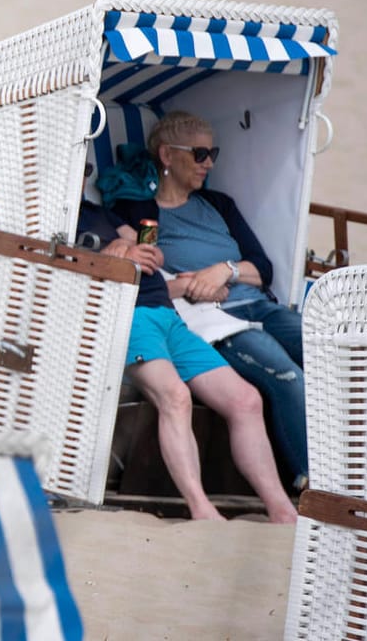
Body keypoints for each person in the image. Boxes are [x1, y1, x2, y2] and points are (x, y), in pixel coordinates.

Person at [111, 111, 308, 488]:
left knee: (331, 353)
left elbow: (262, 268)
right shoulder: (139, 214)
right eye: (200, 153)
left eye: (212, 152)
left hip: (257, 303)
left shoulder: (219, 204)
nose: (210, 163)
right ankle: (311, 481)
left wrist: (224, 271)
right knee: (287, 375)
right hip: (215, 316)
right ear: (167, 155)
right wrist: (190, 286)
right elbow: (144, 279)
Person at [77, 200, 297, 522]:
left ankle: (282, 509)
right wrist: (111, 254)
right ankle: (201, 508)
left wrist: (136, 249)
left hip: (167, 312)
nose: (83, 173)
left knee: (246, 400)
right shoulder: (57, 210)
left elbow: (147, 249)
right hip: (126, 312)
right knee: (176, 397)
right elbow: (56, 261)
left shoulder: (98, 211)